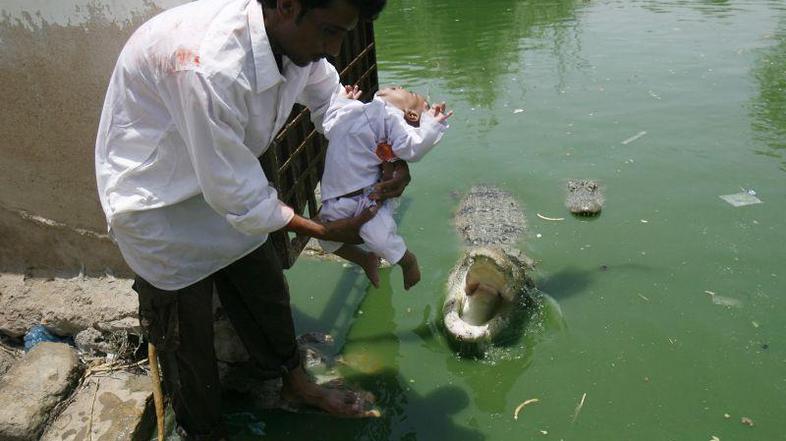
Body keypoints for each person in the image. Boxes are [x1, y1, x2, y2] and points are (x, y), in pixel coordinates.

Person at [94, 0, 408, 438]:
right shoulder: (208, 67)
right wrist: (322, 230)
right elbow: (235, 194)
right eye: (329, 31)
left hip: (224, 178)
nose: (335, 48)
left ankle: (296, 385)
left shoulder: (294, 42)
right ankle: (203, 431)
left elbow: (332, 103)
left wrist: (385, 154)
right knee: (187, 342)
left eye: (342, 33)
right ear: (287, 6)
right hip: (159, 206)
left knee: (265, 292)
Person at [318, 85, 452, 289]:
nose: (398, 87)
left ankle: (407, 261)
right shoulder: (356, 108)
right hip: (335, 197)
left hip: (365, 198)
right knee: (325, 239)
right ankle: (364, 259)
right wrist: (343, 101)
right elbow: (329, 124)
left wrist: (431, 124)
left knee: (380, 239)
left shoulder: (390, 118)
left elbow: (412, 147)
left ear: (411, 114)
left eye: (409, 93)